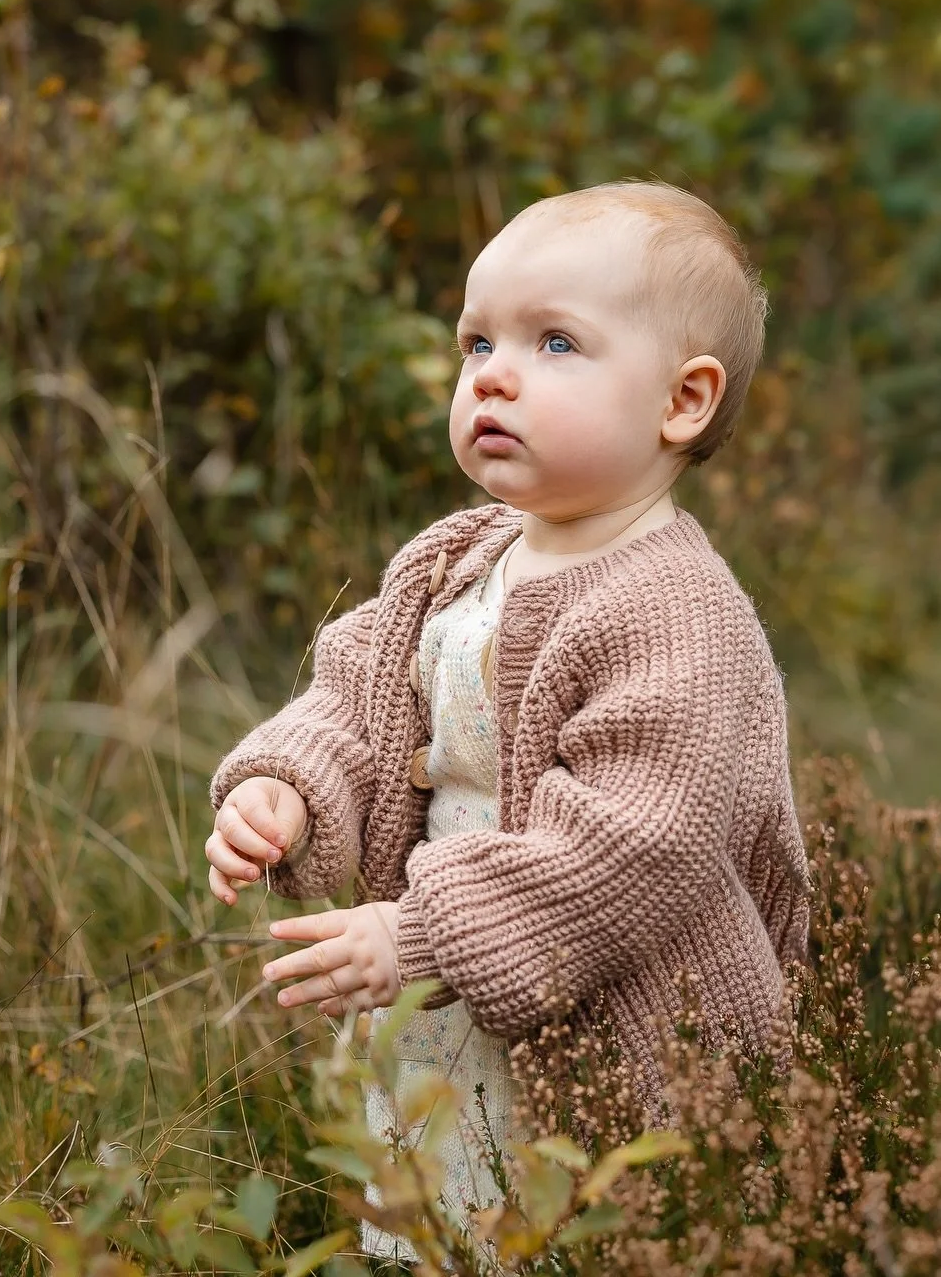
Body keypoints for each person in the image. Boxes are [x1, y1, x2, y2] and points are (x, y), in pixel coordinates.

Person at [203, 180, 812, 1265]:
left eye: (557, 343)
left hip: (612, 1017)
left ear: (684, 401)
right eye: (475, 340)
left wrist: (422, 934)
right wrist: (288, 790)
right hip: (443, 998)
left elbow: (642, 839)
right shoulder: (455, 554)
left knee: (580, 1232)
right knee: (439, 1224)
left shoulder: (679, 611)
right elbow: (361, 698)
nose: (493, 372)